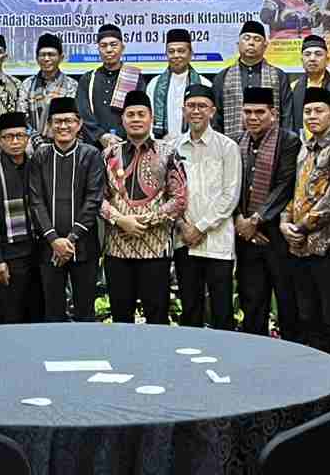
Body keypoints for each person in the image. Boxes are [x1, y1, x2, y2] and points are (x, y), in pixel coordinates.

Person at [281, 88, 330, 400]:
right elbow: (295, 194)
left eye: (319, 111)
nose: (312, 116)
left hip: (328, 249)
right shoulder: (305, 148)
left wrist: (299, 226)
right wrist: (285, 223)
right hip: (300, 248)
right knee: (308, 319)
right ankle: (318, 388)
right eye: (308, 112)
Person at [101, 91, 187, 325]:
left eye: (141, 114)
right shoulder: (109, 154)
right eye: (130, 114)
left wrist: (146, 221)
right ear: (122, 119)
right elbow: (97, 198)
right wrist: (120, 220)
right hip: (117, 251)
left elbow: (179, 198)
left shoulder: (168, 152)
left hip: (155, 251)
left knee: (157, 320)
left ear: (151, 118)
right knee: (121, 320)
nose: (136, 119)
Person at [27, 97, 105, 322]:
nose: (63, 126)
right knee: (52, 312)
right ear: (49, 125)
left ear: (79, 124)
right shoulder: (40, 156)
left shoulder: (91, 154)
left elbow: (93, 200)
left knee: (85, 312)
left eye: (69, 121)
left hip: (84, 246)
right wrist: (54, 240)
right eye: (58, 121)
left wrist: (69, 240)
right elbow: (36, 200)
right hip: (48, 247)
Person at [233, 87, 300, 340]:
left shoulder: (288, 141)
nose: (253, 117)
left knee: (287, 300)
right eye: (248, 112)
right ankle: (255, 355)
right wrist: (240, 220)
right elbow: (231, 184)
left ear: (273, 113)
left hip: (277, 236)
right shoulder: (237, 141)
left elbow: (285, 184)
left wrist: (256, 219)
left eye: (259, 112)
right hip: (245, 236)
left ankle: (292, 355)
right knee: (252, 302)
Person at [173, 85, 242, 331]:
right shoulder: (174, 147)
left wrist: (200, 227)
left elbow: (230, 195)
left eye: (202, 106)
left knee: (222, 311)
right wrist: (183, 226)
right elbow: (170, 192)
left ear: (212, 111)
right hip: (184, 241)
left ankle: (225, 356)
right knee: (190, 310)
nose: (196, 111)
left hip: (217, 243)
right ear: (183, 110)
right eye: (191, 106)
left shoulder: (227, 147)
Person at [0, 112, 40, 324]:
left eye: (20, 136)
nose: (15, 142)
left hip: (37, 254)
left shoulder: (35, 167)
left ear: (27, 138)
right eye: (9, 137)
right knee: (9, 317)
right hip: (9, 257)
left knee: (37, 316)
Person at [212, 21, 293, 138]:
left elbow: (287, 115)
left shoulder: (278, 76)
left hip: (273, 144)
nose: (251, 43)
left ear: (265, 46)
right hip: (231, 143)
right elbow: (216, 118)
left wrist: (286, 143)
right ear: (238, 44)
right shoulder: (222, 77)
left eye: (257, 39)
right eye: (246, 38)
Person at [76, 24, 148, 150]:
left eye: (113, 45)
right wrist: (101, 135)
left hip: (128, 145)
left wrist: (121, 138)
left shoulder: (134, 77)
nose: (109, 50)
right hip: (94, 146)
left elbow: (140, 112)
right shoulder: (88, 79)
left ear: (122, 47)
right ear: (98, 49)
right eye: (103, 46)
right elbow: (82, 112)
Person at [145, 28, 210, 143]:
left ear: (190, 54)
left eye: (181, 51)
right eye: (171, 51)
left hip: (195, 145)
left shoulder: (204, 84)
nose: (176, 55)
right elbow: (148, 119)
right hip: (160, 146)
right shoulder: (154, 85)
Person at [15, 33, 79, 141]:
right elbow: (22, 119)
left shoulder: (71, 85)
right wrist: (37, 142)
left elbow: (74, 119)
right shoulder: (27, 85)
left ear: (61, 57)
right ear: (36, 58)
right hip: (32, 144)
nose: (46, 59)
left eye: (51, 54)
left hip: (64, 142)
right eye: (42, 55)